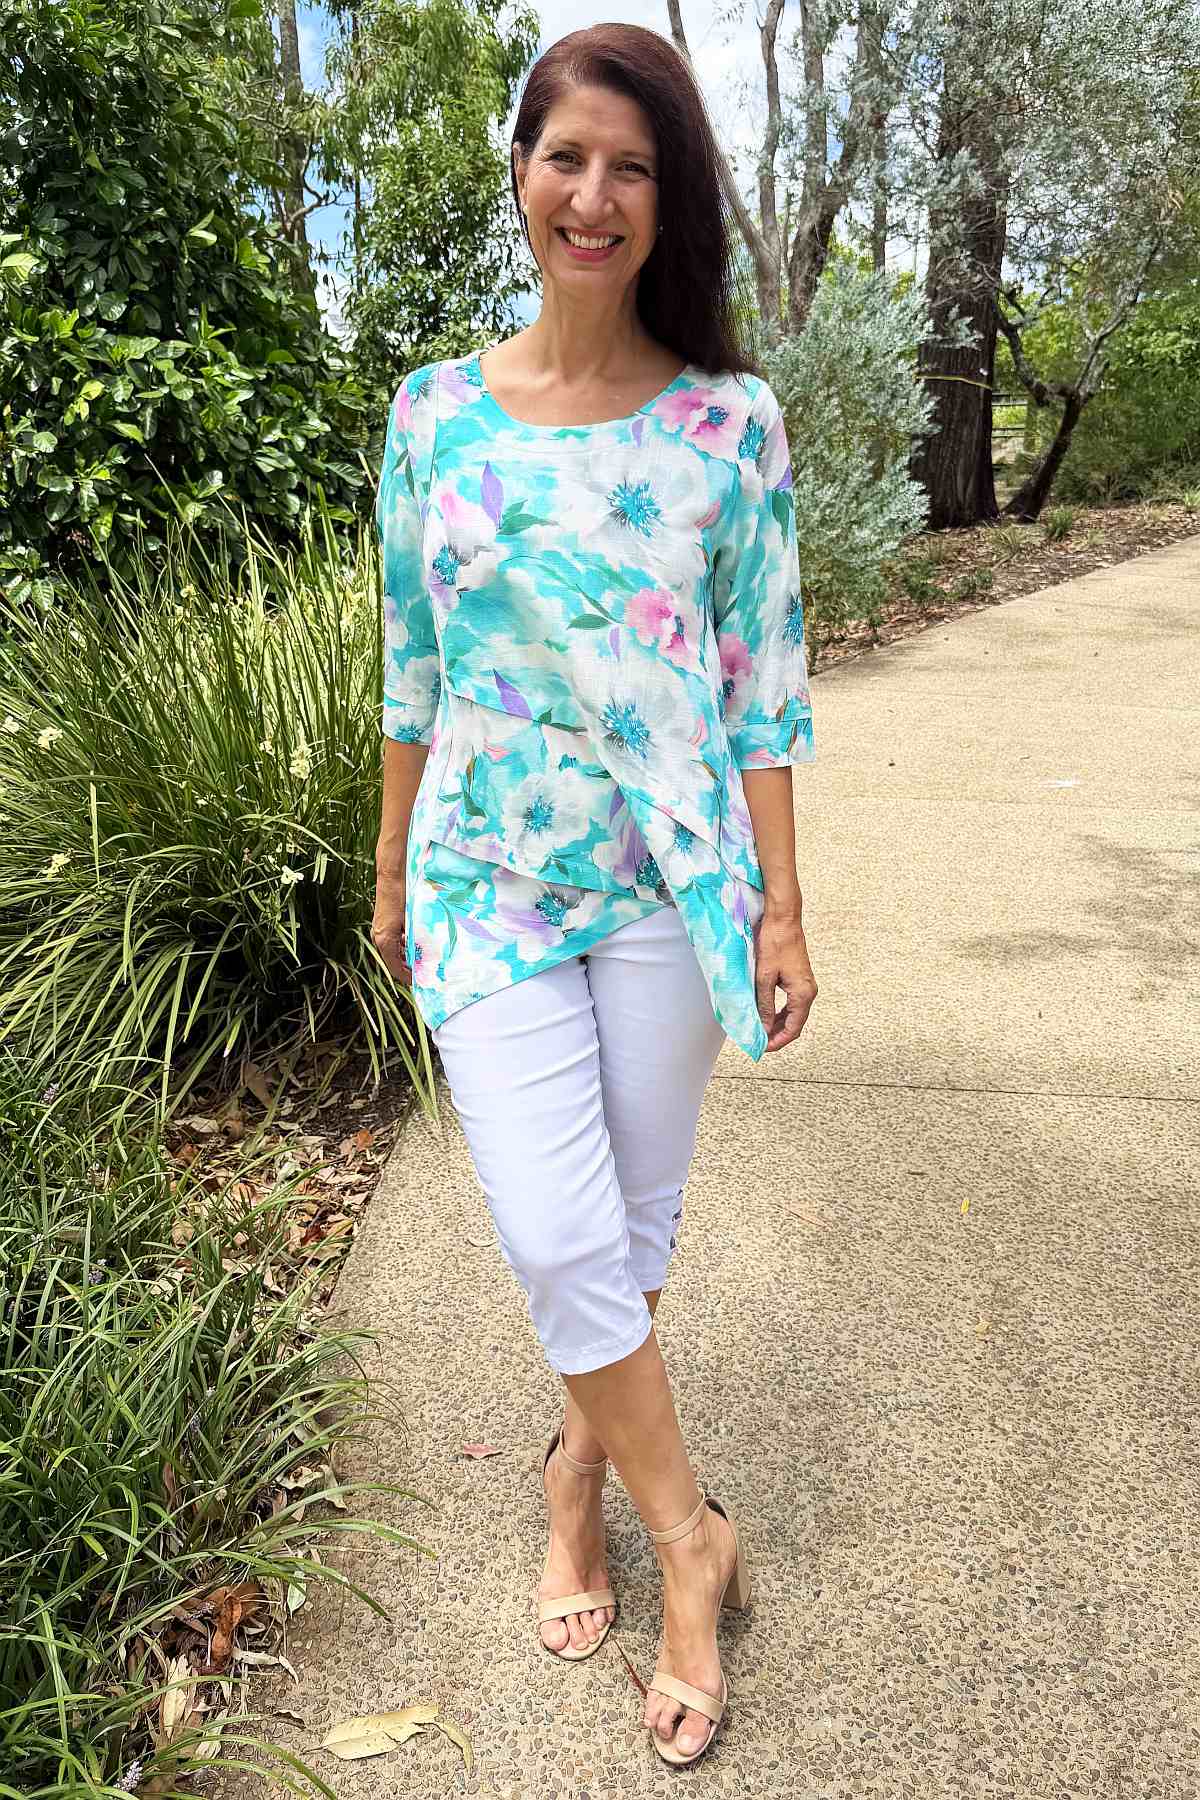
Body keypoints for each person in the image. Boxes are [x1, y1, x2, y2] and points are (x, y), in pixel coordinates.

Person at [370, 21, 818, 1769]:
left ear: (666, 199)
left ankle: (577, 1470)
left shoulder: (730, 422)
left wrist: (782, 906)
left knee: (625, 1234)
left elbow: (763, 682)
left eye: (633, 167)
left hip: (663, 882)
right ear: (521, 172)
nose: (595, 195)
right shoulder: (432, 414)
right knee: (558, 1234)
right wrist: (392, 866)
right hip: (484, 873)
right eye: (568, 156)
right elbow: (411, 662)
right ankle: (689, 1538)